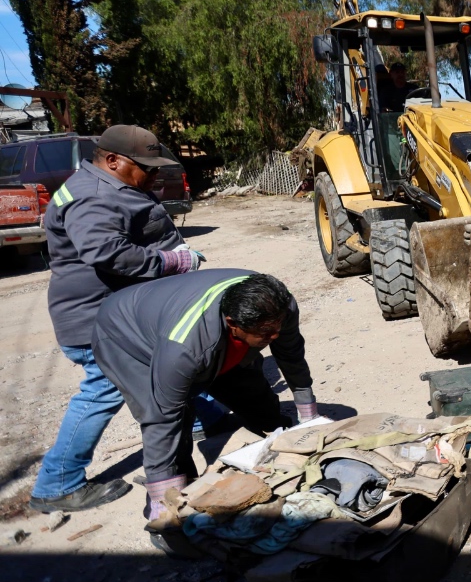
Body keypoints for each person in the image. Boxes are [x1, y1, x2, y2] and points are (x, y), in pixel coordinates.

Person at [29, 125, 209, 514]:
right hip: (95, 317)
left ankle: (198, 421)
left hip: (120, 311)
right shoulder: (92, 195)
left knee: (172, 361)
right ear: (113, 161)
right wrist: (169, 261)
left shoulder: (106, 184)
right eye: (146, 167)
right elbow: (107, 253)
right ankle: (56, 484)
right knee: (104, 389)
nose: (154, 174)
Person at [93, 270, 319, 521]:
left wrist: (309, 417)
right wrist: (163, 498)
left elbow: (291, 354)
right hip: (125, 336)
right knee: (174, 420)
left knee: (250, 389)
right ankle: (172, 503)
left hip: (182, 319)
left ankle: (272, 443)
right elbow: (162, 417)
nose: (274, 336)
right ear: (233, 324)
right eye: (266, 333)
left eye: (277, 327)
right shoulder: (184, 349)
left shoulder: (279, 305)